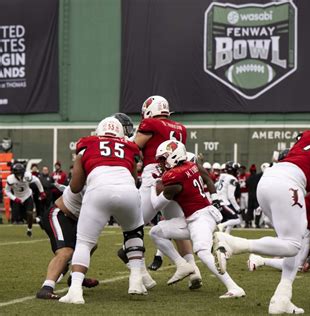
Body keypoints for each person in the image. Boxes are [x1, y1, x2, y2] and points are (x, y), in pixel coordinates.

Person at [213, 121, 310, 314]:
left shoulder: (308, 136)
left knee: (292, 243)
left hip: (269, 180)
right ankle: (234, 243)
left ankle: (282, 298)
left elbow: (307, 158)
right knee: (292, 246)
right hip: (289, 185)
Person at [60, 117, 148, 304]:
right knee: (133, 232)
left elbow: (75, 187)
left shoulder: (86, 145)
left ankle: (75, 290)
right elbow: (133, 178)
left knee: (84, 242)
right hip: (128, 191)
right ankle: (136, 279)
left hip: (98, 191)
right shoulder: (128, 147)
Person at [149, 140, 245, 298]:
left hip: (201, 218)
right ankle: (182, 265)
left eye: (163, 158)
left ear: (174, 156)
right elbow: (206, 177)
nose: (161, 163)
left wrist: (153, 185)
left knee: (202, 252)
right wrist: (215, 199)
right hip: (194, 217)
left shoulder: (174, 176)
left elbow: (155, 205)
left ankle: (233, 287)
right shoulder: (190, 164)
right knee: (156, 232)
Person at [132, 96, 197, 275]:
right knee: (176, 226)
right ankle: (194, 271)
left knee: (134, 224)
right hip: (175, 177)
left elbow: (133, 147)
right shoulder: (181, 129)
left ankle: (140, 276)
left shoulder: (150, 124)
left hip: (154, 176)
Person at [36, 186, 100, 299]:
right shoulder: (90, 182)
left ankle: (75, 277)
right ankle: (46, 287)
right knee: (65, 252)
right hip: (59, 213)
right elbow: (75, 185)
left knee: (91, 244)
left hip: (76, 219)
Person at [5, 162, 46, 236]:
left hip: (27, 196)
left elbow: (36, 180)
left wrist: (42, 192)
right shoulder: (10, 179)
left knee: (29, 213)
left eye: (21, 173)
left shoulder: (27, 175)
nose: (19, 176)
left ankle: (29, 230)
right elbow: (7, 191)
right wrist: (14, 198)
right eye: (17, 174)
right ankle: (38, 220)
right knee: (25, 218)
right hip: (18, 198)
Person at [216, 161, 242, 234]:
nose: (237, 171)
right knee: (238, 220)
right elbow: (231, 196)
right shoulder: (232, 179)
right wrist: (238, 208)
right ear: (232, 170)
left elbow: (215, 185)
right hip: (223, 202)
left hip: (218, 202)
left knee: (231, 220)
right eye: (236, 169)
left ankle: (227, 235)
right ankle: (221, 226)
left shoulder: (222, 176)